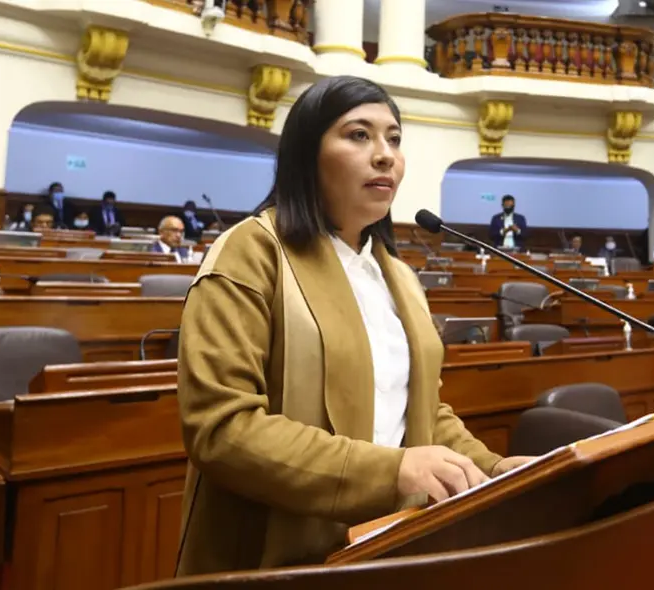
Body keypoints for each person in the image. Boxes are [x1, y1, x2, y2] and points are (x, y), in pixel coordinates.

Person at [175, 76, 534, 576]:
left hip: (388, 545)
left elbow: (423, 409)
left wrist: (490, 470)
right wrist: (393, 470)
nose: (384, 154)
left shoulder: (398, 275)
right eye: (359, 135)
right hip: (275, 554)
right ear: (307, 153)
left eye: (394, 138)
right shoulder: (252, 252)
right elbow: (222, 428)